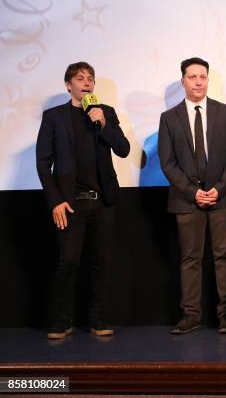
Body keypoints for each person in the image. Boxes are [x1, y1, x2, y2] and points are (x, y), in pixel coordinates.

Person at [36, 61, 130, 339]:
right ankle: (61, 320)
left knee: (101, 262)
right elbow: (43, 163)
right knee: (68, 262)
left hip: (102, 202)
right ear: (69, 85)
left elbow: (123, 150)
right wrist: (55, 201)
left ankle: (98, 320)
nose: (87, 82)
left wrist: (103, 123)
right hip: (70, 203)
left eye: (91, 78)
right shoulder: (54, 117)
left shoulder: (106, 113)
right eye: (80, 78)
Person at [158, 57, 226, 334]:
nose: (198, 81)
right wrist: (193, 192)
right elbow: (167, 162)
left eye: (203, 76)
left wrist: (219, 188)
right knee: (190, 259)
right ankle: (191, 316)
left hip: (224, 198)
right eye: (192, 77)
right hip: (186, 200)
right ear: (183, 80)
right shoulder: (169, 118)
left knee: (223, 257)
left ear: (208, 80)